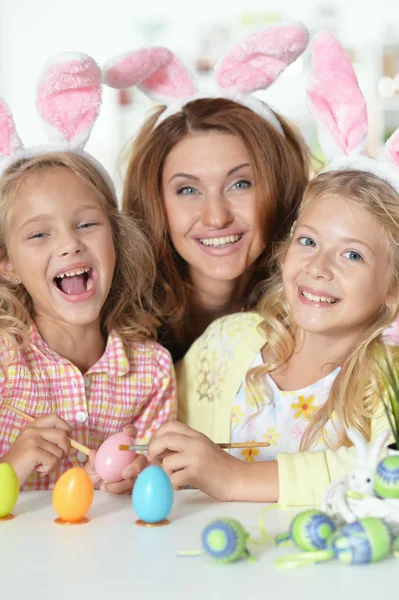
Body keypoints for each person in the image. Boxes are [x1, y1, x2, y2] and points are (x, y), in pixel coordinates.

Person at [147, 31, 399, 506]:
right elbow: (158, 424)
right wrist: (142, 459)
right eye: (308, 241)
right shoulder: (229, 343)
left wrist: (237, 479)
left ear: (394, 288)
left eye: (352, 254)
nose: (319, 267)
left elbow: (385, 473)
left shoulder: (386, 378)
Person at [0, 52, 175, 491]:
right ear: (8, 265)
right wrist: (15, 463)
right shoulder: (4, 361)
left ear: (115, 239)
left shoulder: (150, 370)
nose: (69, 244)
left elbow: (157, 484)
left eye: (86, 224)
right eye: (39, 235)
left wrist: (138, 477)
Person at [103, 22, 311, 361]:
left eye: (241, 184)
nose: (216, 217)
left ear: (280, 189)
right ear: (155, 203)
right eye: (187, 190)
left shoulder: (315, 311)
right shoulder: (114, 326)